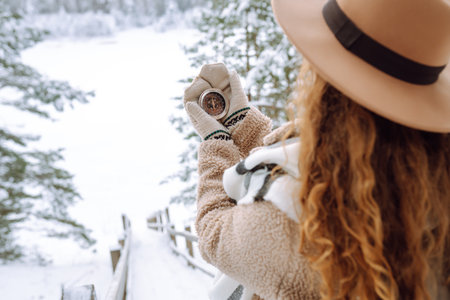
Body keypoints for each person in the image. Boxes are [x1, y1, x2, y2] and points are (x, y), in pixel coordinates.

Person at [183, 0, 450, 299]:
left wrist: (216, 141)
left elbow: (216, 233)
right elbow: (301, 162)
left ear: (329, 93)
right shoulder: (434, 188)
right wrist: (241, 123)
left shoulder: (292, 224)